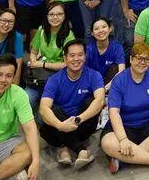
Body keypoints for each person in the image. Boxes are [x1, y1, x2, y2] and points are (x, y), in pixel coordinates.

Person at [100, 42, 149, 173]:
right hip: (125, 125)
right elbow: (114, 112)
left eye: (146, 59)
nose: (143, 62)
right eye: (139, 58)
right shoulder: (119, 80)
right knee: (107, 142)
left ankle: (124, 159)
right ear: (131, 59)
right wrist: (123, 139)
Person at [39, 40, 106, 168]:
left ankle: (63, 148)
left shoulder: (94, 75)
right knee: (50, 113)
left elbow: (100, 100)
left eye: (80, 55)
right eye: (72, 55)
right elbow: (43, 108)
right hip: (60, 125)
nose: (76, 59)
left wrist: (78, 120)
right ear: (65, 58)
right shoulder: (54, 80)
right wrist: (61, 125)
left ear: (85, 56)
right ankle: (80, 150)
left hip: (82, 124)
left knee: (90, 101)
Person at [84, 17, 126, 82]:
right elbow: (83, 72)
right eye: (96, 29)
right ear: (92, 33)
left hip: (112, 85)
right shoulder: (88, 49)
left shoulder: (117, 47)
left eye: (104, 27)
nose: (101, 30)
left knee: (114, 68)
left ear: (110, 29)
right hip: (92, 84)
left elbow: (121, 72)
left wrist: (106, 88)